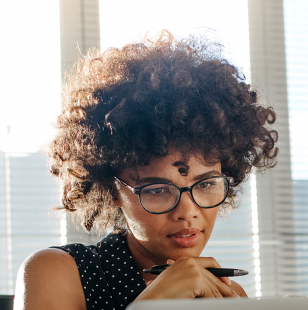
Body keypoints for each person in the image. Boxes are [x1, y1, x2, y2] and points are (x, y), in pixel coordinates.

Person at [15, 32, 278, 310]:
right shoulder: (56, 273)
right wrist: (150, 305)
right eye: (158, 190)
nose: (187, 212)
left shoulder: (224, 294)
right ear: (112, 188)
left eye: (205, 184)